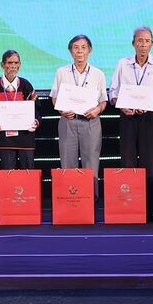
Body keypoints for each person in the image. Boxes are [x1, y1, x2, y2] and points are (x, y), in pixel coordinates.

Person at [109, 26, 153, 222]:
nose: (143, 44)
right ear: (133, 43)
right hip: (128, 117)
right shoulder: (123, 63)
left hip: (150, 118)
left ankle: (152, 210)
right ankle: (129, 207)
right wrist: (121, 106)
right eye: (140, 40)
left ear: (152, 44)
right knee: (128, 163)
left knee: (150, 165)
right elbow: (113, 92)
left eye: (147, 41)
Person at [50, 34, 107, 197]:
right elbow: (54, 97)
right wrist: (61, 110)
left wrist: (97, 110)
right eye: (76, 48)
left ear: (90, 50)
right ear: (70, 51)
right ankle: (70, 201)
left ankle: (91, 202)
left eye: (83, 47)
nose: (80, 51)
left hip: (90, 122)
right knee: (68, 163)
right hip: (68, 121)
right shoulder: (62, 72)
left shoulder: (98, 74)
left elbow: (103, 101)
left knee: (91, 164)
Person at [0, 50, 38, 170]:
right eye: (9, 62)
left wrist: (35, 122)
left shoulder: (25, 84)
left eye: (16, 63)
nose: (13, 66)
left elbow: (36, 109)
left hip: (25, 137)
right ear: (2, 65)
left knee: (28, 175)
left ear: (20, 65)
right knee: (8, 176)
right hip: (4, 138)